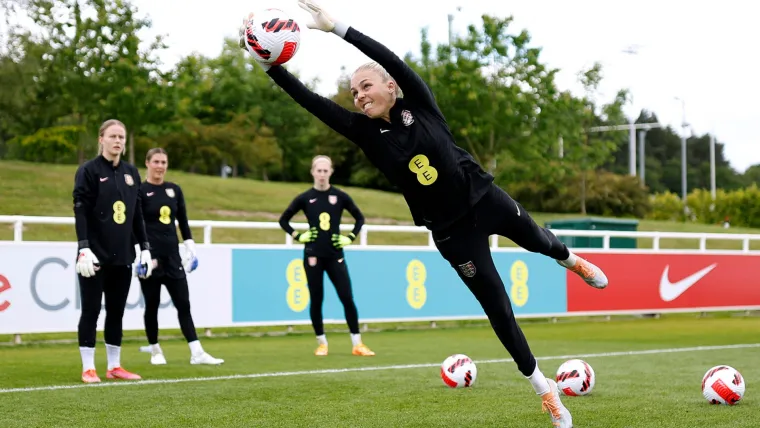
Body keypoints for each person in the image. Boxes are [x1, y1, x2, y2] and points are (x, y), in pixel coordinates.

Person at [242, 2, 611, 426]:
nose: (359, 95)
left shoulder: (419, 102)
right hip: (452, 233)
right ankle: (546, 394)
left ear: (392, 88)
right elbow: (309, 100)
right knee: (498, 309)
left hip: (485, 198)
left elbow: (389, 59)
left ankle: (573, 261)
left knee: (543, 242)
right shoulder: (363, 132)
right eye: (354, 92)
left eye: (366, 86)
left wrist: (337, 28)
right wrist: (269, 66)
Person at [73, 119, 153, 384]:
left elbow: (137, 213)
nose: (118, 141)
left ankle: (114, 366)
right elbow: (80, 210)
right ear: (101, 139)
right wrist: (83, 247)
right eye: (113, 136)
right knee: (91, 310)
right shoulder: (89, 170)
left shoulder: (131, 173)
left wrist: (144, 248)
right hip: (94, 255)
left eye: (122, 137)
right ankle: (88, 368)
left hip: (123, 255)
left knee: (116, 311)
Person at [278, 155, 374, 357]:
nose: (322, 174)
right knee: (317, 298)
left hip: (335, 255)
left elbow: (359, 218)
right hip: (313, 255)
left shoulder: (340, 196)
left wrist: (349, 237)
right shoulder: (304, 198)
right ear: (312, 172)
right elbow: (284, 220)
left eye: (325, 170)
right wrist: (298, 236)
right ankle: (322, 343)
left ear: (331, 172)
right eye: (318, 170)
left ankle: (357, 343)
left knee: (347, 297)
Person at [136, 148, 224, 366]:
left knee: (183, 304)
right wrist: (140, 253)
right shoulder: (139, 190)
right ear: (147, 163)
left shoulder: (174, 190)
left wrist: (190, 246)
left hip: (173, 258)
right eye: (155, 161)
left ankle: (197, 352)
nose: (160, 166)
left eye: (163, 162)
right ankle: (155, 350)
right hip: (151, 258)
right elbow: (134, 224)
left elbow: (183, 221)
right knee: (152, 305)